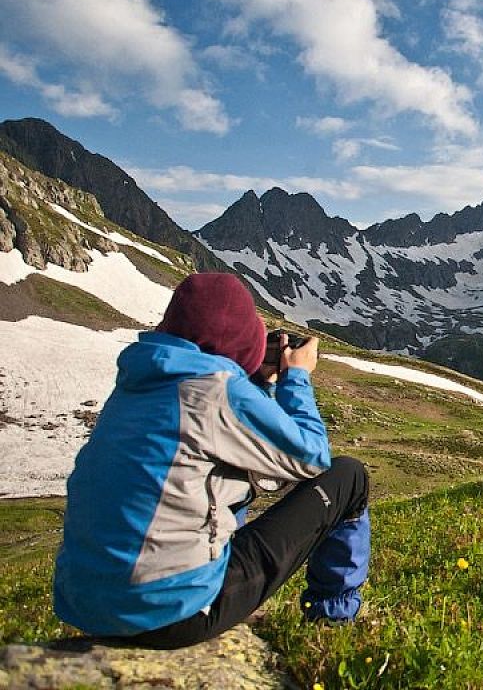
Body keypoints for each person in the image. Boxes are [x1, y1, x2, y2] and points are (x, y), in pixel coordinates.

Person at [53, 273, 370, 649]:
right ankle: (332, 618)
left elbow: (233, 443)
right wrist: (296, 377)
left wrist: (259, 385)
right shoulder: (215, 387)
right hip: (171, 614)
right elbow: (311, 456)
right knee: (349, 476)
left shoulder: (138, 382)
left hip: (85, 607)